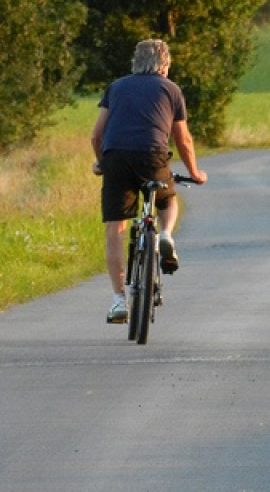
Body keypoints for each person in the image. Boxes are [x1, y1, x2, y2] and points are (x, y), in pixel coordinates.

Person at [91, 39, 207, 324]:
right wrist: (194, 172)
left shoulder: (116, 87)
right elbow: (183, 138)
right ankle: (166, 235)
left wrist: (102, 163)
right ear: (164, 65)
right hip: (153, 157)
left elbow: (96, 135)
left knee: (115, 228)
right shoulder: (171, 89)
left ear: (135, 62)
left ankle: (119, 300)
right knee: (167, 198)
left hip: (116, 158)